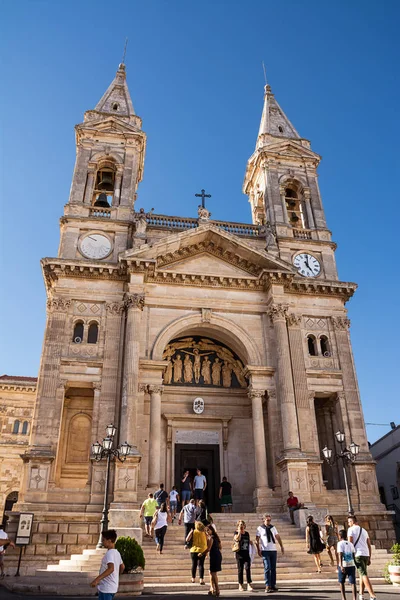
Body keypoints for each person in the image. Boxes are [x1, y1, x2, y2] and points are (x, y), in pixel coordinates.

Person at [347, 515, 377, 600]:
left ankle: (372, 595)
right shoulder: (364, 530)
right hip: (366, 554)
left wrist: (349, 557)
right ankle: (361, 594)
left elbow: (350, 544)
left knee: (363, 574)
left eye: (349, 522)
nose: (348, 524)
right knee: (361, 574)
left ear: (352, 522)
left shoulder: (350, 530)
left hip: (358, 555)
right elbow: (369, 545)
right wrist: (369, 557)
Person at [90, 529, 124, 600]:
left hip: (106, 588)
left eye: (104, 540)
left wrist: (97, 580)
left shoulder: (109, 553)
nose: (102, 542)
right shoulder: (117, 553)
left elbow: (111, 568)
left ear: (109, 541)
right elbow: (122, 567)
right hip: (111, 587)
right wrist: (116, 576)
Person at [256, 514, 284, 593]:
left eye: (270, 520)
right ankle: (267, 585)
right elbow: (257, 540)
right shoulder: (260, 528)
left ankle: (273, 585)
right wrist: (258, 549)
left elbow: (277, 537)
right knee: (267, 567)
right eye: (267, 520)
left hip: (273, 550)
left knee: (273, 568)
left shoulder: (273, 528)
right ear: (263, 520)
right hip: (265, 551)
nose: (269, 522)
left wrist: (281, 546)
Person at [233, 520, 254, 592]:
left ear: (244, 525)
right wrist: (239, 532)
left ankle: (249, 584)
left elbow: (247, 541)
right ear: (238, 526)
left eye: (242, 524)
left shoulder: (247, 533)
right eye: (239, 525)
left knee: (248, 568)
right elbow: (236, 539)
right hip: (239, 554)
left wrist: (250, 542)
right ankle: (240, 585)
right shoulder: (236, 533)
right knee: (240, 570)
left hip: (246, 554)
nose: (241, 526)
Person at [337, 528, 357, 600]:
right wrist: (355, 563)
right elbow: (353, 554)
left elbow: (340, 554)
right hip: (351, 564)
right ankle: (354, 598)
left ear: (340, 536)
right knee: (353, 582)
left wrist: (341, 565)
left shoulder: (339, 543)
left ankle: (343, 598)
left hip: (344, 564)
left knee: (341, 581)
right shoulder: (351, 544)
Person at [206, 525, 222, 597]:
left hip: (214, 556)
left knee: (213, 573)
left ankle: (217, 589)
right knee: (211, 572)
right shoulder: (216, 538)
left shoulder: (211, 538)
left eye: (208, 530)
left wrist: (202, 553)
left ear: (212, 530)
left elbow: (208, 548)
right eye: (206, 531)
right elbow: (220, 547)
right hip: (218, 555)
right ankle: (212, 588)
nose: (207, 532)